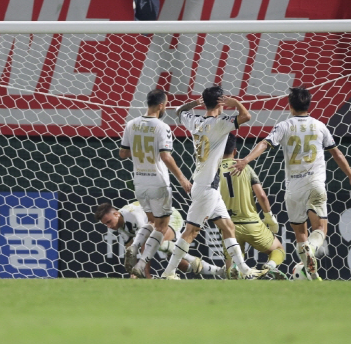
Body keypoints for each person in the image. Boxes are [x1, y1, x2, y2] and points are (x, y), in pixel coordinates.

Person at [232, 87, 351, 280]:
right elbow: (337, 153)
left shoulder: (284, 126)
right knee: (320, 229)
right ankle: (309, 265)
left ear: (290, 105)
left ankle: (309, 270)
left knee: (300, 234)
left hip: (293, 188)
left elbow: (263, 144)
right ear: (308, 104)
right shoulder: (320, 126)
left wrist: (246, 160)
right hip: (316, 184)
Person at [160, 85, 262, 280]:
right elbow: (247, 116)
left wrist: (192, 103)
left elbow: (179, 111)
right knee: (191, 231)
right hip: (206, 187)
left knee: (228, 227)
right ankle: (168, 272)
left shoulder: (195, 120)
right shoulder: (221, 123)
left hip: (207, 185)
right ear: (220, 102)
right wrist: (236, 103)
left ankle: (244, 270)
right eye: (224, 100)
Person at [118, 89, 193, 278]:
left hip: (139, 182)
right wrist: (182, 179)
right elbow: (166, 157)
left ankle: (134, 247)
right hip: (158, 183)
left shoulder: (131, 124)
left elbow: (123, 154)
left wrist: (140, 148)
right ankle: (141, 263)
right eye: (166, 104)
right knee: (162, 226)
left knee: (151, 221)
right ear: (161, 105)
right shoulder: (161, 126)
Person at [219, 133, 288, 280]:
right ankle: (269, 267)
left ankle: (236, 270)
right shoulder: (245, 167)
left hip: (228, 226)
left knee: (231, 269)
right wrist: (269, 216)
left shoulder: (213, 171)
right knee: (278, 249)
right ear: (235, 151)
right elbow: (261, 196)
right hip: (252, 223)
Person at [94, 202, 225, 278]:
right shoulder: (120, 225)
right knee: (182, 264)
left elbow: (147, 243)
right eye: (106, 224)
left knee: (152, 242)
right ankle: (220, 271)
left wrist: (145, 275)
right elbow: (130, 247)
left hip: (171, 218)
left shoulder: (133, 215)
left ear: (116, 214)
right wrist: (133, 273)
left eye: (109, 222)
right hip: (157, 229)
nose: (109, 226)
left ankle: (149, 278)